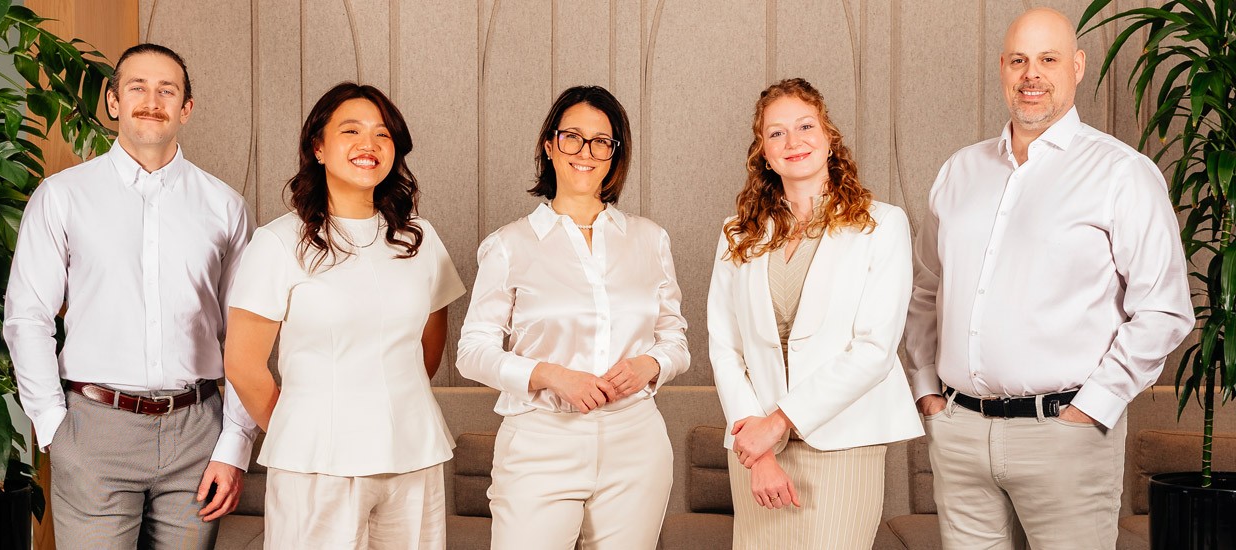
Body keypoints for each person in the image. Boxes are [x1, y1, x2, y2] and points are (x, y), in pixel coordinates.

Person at [904, 8, 1195, 549]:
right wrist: (927, 390)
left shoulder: (1121, 173)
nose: (1031, 74)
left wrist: (1092, 409)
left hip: (1065, 434)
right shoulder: (960, 171)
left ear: (1077, 66)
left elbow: (1165, 309)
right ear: (1002, 68)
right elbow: (925, 290)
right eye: (1019, 60)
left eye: (1048, 59)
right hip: (960, 433)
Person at [4, 44, 258, 549]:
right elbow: (27, 317)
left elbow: (245, 336)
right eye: (137, 87)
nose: (152, 101)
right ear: (114, 101)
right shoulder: (62, 196)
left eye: (168, 90)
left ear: (186, 108)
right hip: (94, 429)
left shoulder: (225, 206)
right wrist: (53, 427)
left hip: (197, 432)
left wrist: (235, 443)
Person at [222, 82, 464, 549]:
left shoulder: (420, 238)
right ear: (318, 147)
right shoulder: (278, 242)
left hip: (413, 451)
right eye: (351, 131)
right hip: (317, 461)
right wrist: (301, 426)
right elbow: (243, 365)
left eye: (382, 134)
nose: (368, 144)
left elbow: (428, 350)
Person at [456, 85, 689, 549]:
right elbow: (472, 352)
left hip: (636, 442)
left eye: (601, 141)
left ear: (615, 154)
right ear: (550, 145)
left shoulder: (650, 240)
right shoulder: (508, 245)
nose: (586, 152)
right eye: (572, 138)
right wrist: (551, 375)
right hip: (541, 442)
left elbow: (675, 340)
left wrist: (650, 365)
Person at [708, 78, 923, 550]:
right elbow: (724, 348)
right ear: (764, 153)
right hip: (755, 453)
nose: (794, 141)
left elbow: (874, 350)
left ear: (829, 137)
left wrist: (778, 424)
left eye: (806, 126)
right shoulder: (737, 233)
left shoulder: (882, 225)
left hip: (843, 442)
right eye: (777, 133)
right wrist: (759, 446)